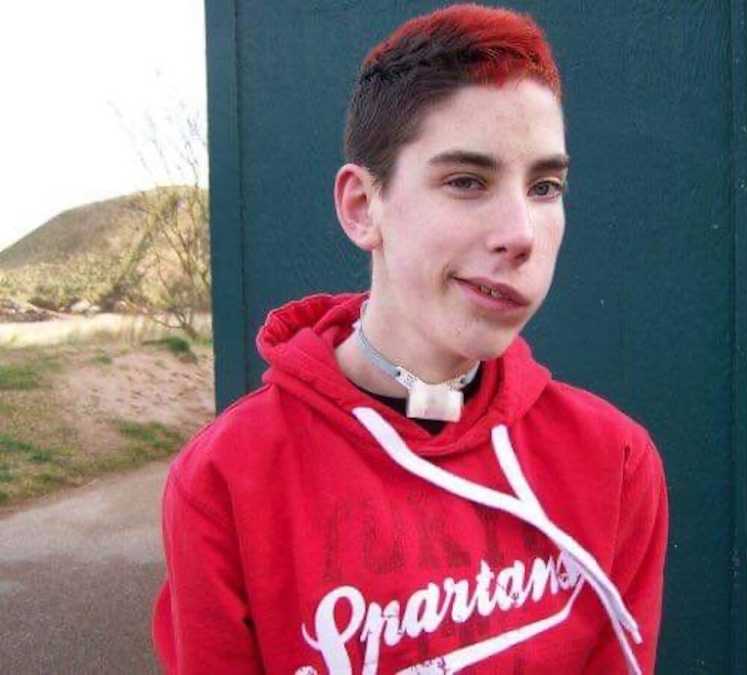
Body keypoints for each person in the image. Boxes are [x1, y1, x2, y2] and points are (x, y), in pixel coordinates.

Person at [151, 3, 669, 674]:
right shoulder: (227, 480)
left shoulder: (615, 462)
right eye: (465, 181)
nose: (520, 232)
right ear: (364, 207)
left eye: (545, 185)